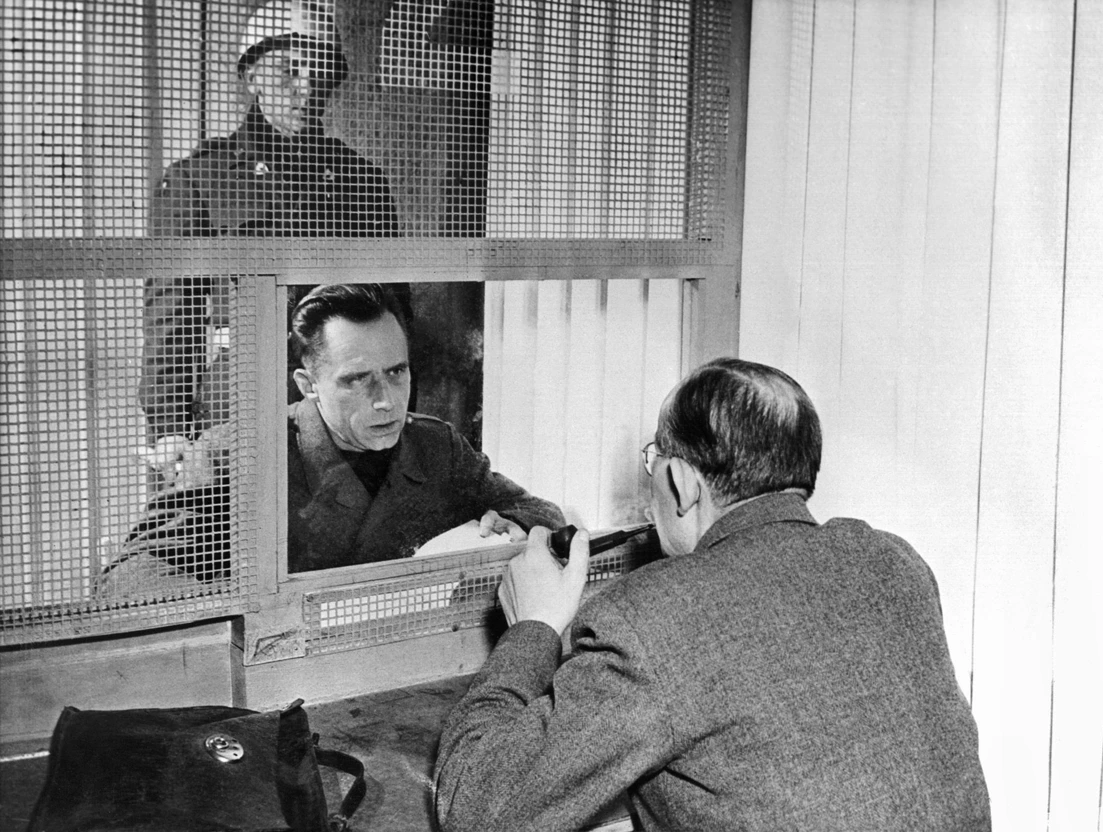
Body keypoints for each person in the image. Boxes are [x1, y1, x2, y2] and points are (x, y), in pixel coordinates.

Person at [434, 358, 991, 831]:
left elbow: (474, 805)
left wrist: (534, 627)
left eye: (653, 461)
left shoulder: (646, 623)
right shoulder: (893, 563)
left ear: (681, 482)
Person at [141, 0, 400, 442]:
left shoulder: (362, 180)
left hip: (345, 400)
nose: (307, 85)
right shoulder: (199, 179)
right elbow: (172, 319)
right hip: (243, 396)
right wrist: (169, 430)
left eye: (319, 71)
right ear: (252, 77)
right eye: (288, 69)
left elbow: (394, 309)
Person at [287, 283, 564, 571]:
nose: (385, 401)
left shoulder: (436, 445)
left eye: (396, 371)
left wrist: (513, 523)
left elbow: (542, 512)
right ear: (309, 386)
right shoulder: (258, 465)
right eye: (357, 379)